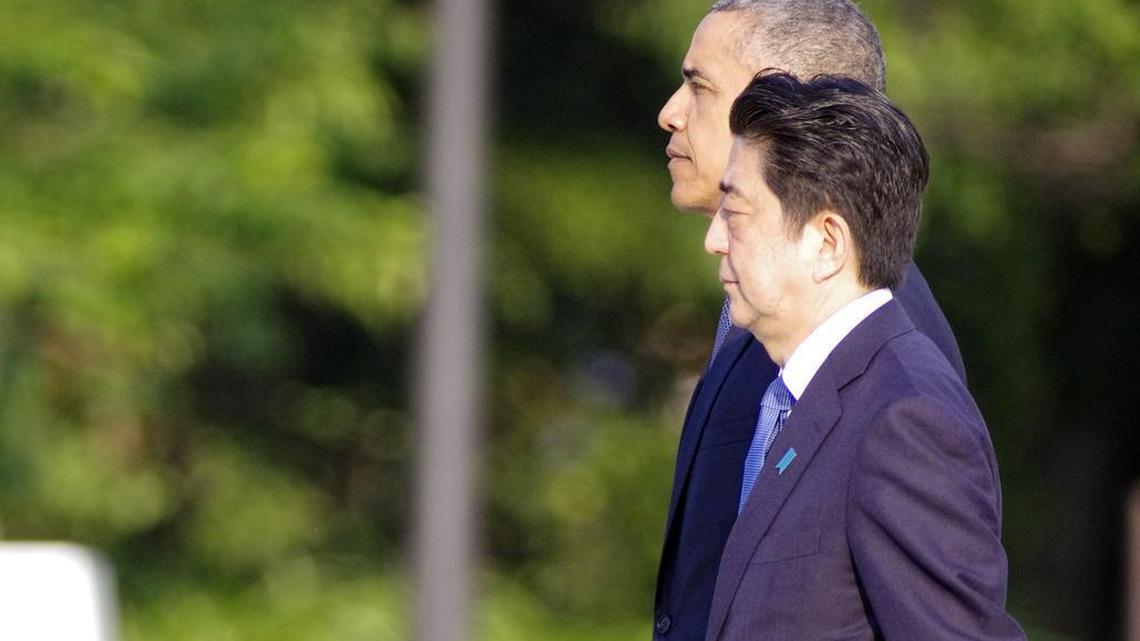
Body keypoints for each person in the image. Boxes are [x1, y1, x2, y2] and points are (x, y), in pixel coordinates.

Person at [652, 2, 970, 640]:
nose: (671, 111)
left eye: (699, 86)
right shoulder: (766, 314)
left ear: (781, 99)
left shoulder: (882, 348)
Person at [701, 69, 1024, 640]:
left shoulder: (905, 417)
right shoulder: (792, 396)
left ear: (826, 242)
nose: (715, 239)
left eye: (737, 212)